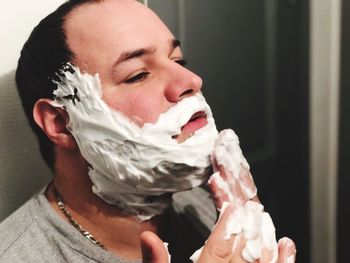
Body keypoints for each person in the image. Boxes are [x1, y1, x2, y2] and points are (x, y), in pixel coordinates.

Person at [0, 0, 296, 262]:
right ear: (61, 122)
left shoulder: (207, 205)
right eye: (138, 74)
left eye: (177, 60)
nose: (192, 80)